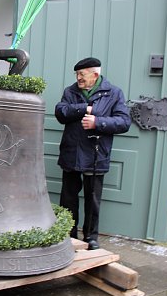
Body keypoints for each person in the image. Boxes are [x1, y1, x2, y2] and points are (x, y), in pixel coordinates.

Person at [54, 57, 131, 250]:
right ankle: (68, 235)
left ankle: (90, 237)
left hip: (96, 154)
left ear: (95, 74)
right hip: (72, 152)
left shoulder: (114, 93)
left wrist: (98, 123)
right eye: (77, 74)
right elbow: (60, 113)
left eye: (82, 74)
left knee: (93, 199)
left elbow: (123, 122)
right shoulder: (70, 91)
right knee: (68, 198)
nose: (78, 78)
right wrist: (84, 109)